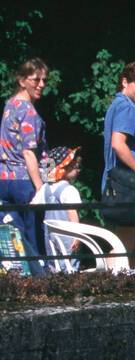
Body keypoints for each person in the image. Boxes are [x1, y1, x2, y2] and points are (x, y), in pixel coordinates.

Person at [102, 61, 135, 269]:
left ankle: (132, 290)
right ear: (124, 82)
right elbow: (118, 144)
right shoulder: (126, 107)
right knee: (125, 245)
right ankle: (111, 289)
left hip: (132, 187)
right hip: (130, 188)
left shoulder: (121, 106)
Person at [1, 58, 49, 274]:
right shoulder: (29, 111)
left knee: (12, 236)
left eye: (44, 80)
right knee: (32, 237)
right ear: (22, 81)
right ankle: (39, 280)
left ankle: (17, 279)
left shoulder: (10, 105)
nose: (41, 85)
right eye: (36, 80)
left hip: (4, 179)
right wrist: (40, 186)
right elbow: (29, 152)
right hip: (24, 181)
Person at [31, 146, 82, 272]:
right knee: (70, 264)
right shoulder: (70, 190)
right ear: (63, 168)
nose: (78, 170)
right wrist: (77, 236)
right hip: (68, 235)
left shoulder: (46, 188)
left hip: (50, 235)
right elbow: (72, 213)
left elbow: (33, 204)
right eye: (75, 166)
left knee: (54, 264)